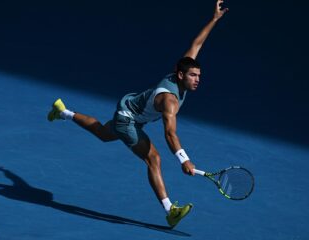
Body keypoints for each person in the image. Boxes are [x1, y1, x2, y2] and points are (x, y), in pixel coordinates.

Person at [47, 0, 228, 229]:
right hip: (128, 119)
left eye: (198, 75)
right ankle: (170, 211)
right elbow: (170, 134)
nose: (197, 79)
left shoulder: (180, 72)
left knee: (104, 133)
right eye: (193, 75)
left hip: (132, 109)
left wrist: (214, 19)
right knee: (154, 158)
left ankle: (62, 111)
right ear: (180, 75)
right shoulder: (169, 101)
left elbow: (197, 43)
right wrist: (184, 159)